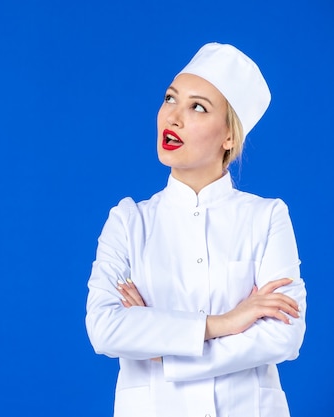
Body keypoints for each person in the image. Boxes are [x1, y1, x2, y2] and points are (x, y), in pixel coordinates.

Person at [85, 42, 307, 417]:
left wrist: (161, 349)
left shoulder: (267, 217)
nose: (173, 117)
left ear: (229, 137)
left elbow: (283, 335)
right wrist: (226, 322)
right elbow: (105, 328)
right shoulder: (128, 221)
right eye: (170, 99)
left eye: (197, 107)